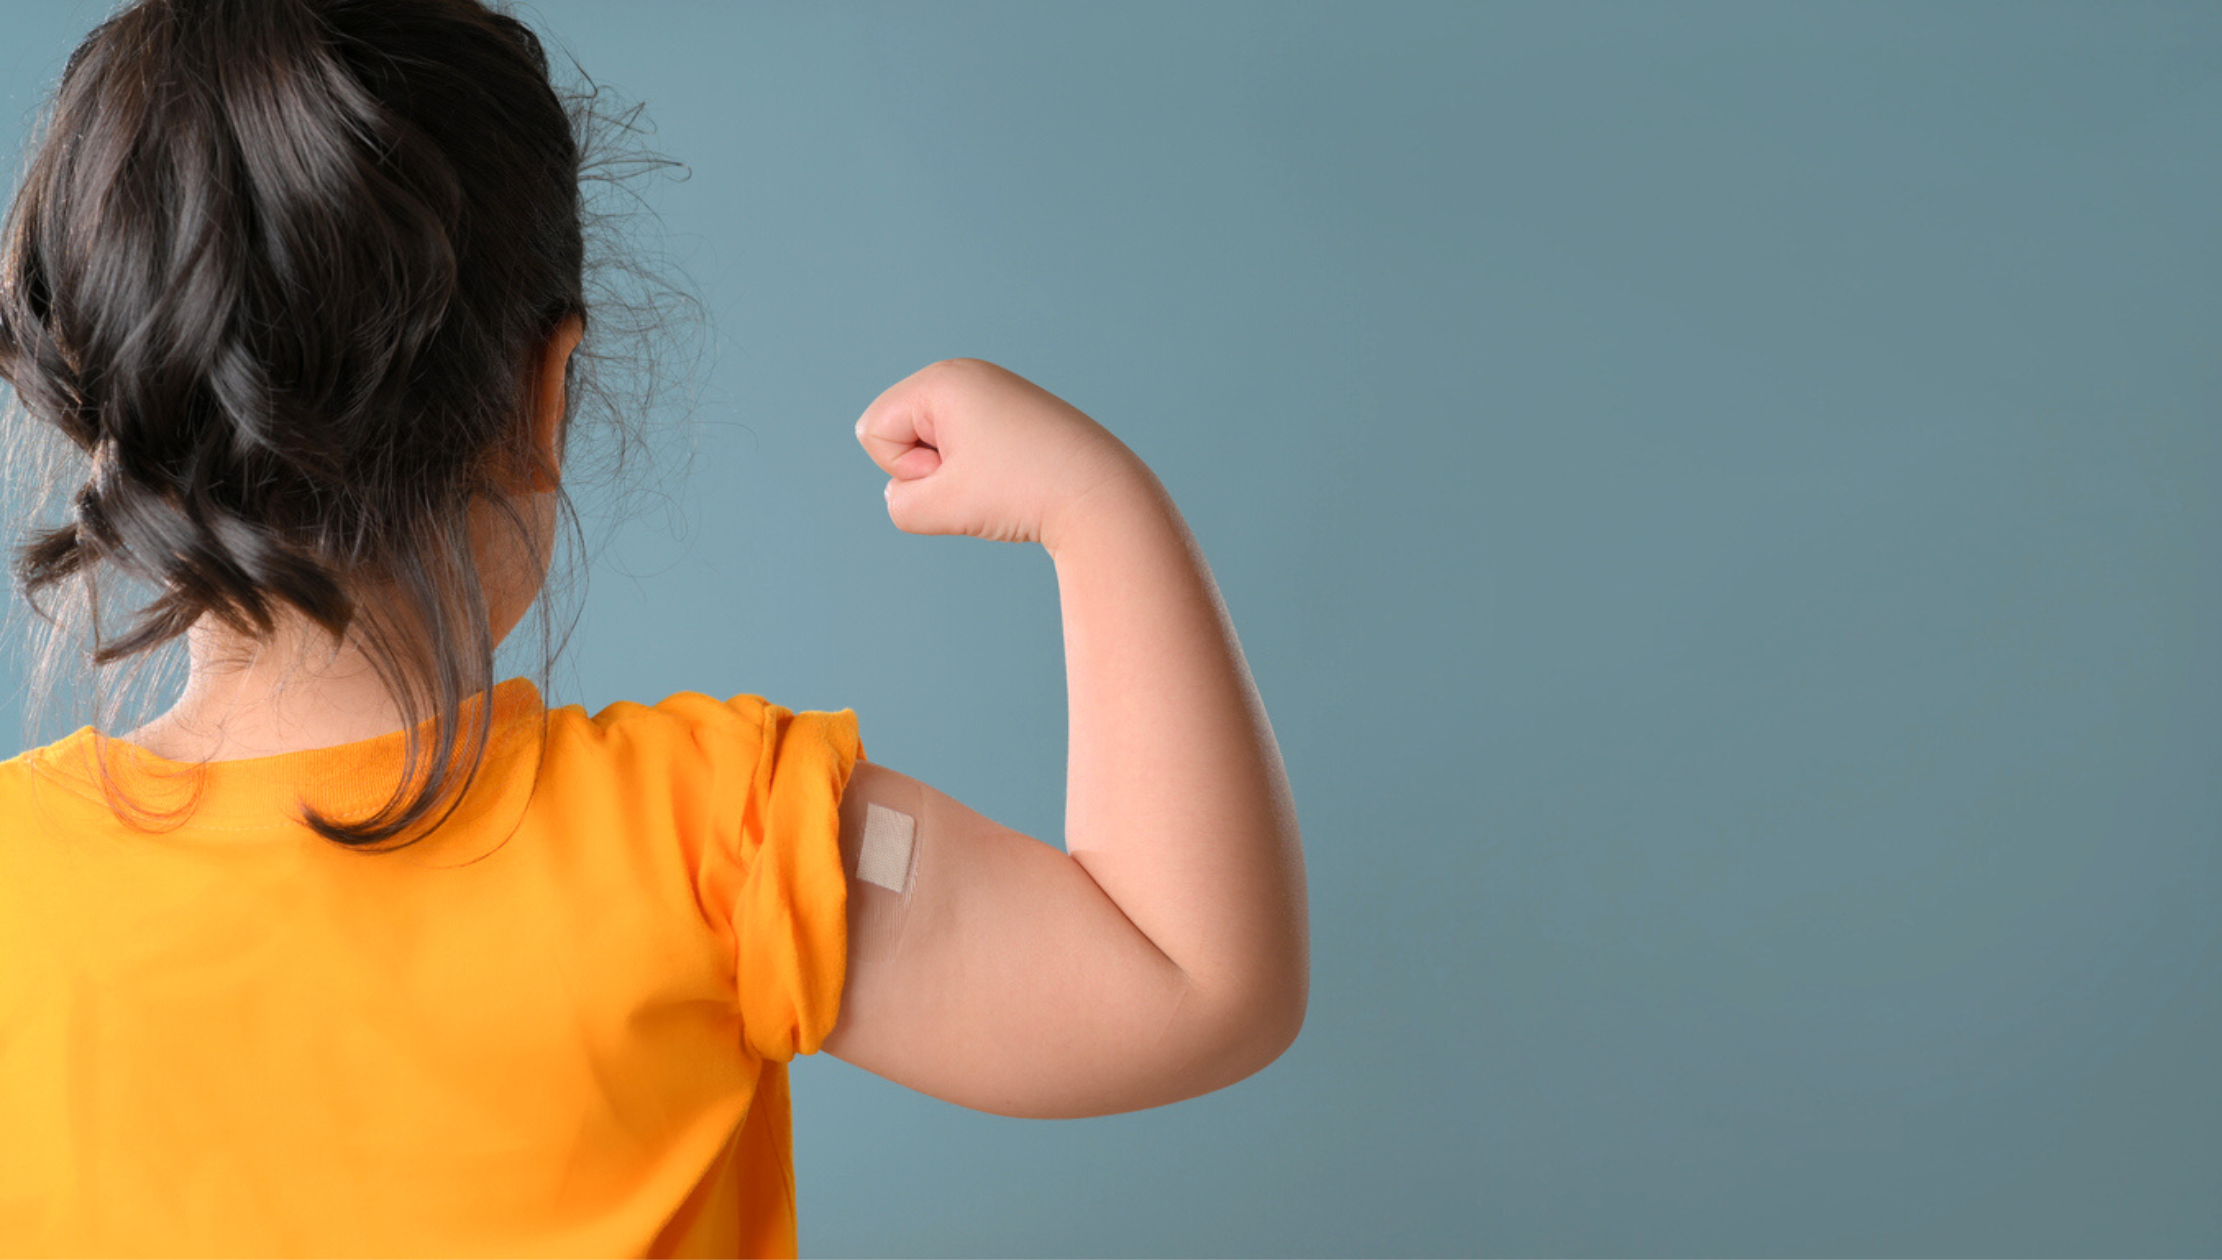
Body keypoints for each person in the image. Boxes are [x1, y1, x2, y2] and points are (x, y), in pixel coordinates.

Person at [0, 0, 1308, 1256]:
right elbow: (1191, 981)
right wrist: (1102, 509)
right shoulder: (707, 839)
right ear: (542, 393)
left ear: (100, 407)